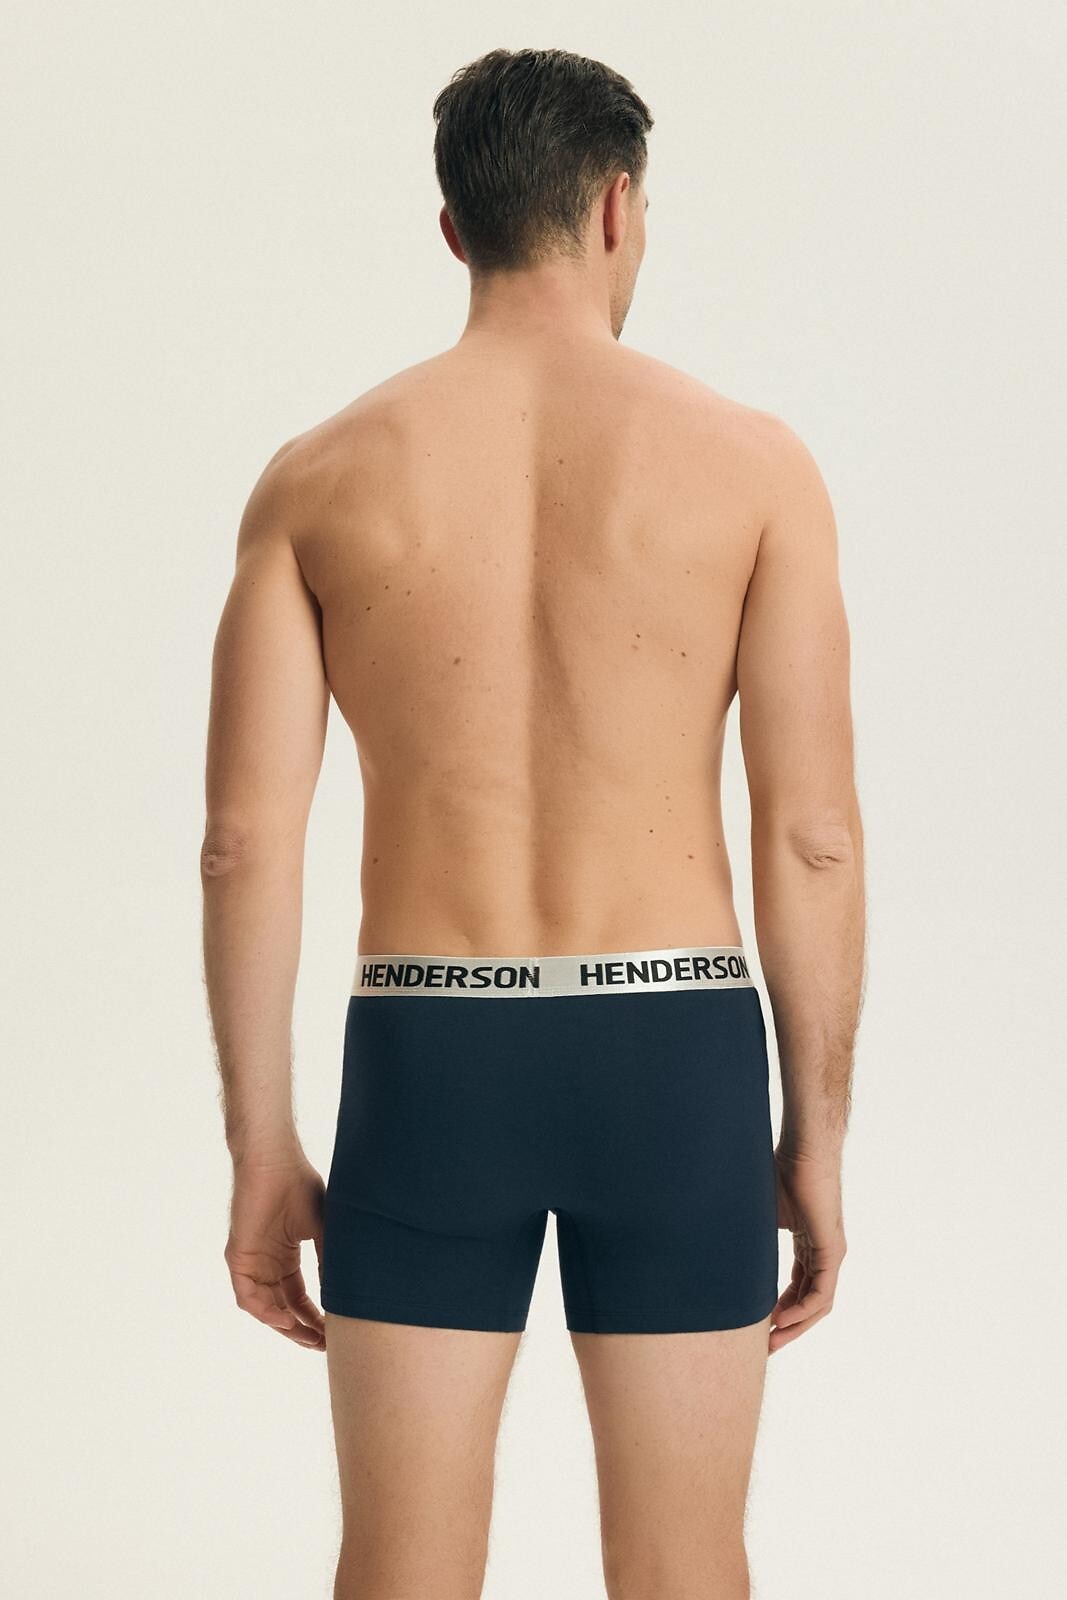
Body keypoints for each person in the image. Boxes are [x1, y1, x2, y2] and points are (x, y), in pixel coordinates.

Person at [200, 45, 866, 1600]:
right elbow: (815, 835)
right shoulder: (756, 468)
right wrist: (816, 1139)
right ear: (619, 206)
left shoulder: (317, 479)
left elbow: (244, 846)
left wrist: (261, 1147)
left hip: (429, 1054)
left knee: (401, 1566)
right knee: (688, 1566)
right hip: (674, 1053)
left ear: (457, 228)